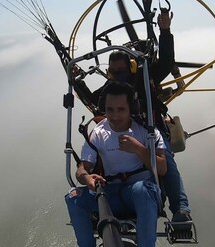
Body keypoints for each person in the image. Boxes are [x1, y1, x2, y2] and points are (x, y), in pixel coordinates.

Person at [73, 10, 192, 223]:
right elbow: (93, 100)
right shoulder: (112, 87)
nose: (119, 76)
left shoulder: (147, 75)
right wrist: (77, 81)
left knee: (168, 163)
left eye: (122, 70)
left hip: (151, 129)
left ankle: (181, 209)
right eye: (114, 72)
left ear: (132, 67)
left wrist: (165, 31)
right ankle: (106, 197)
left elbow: (166, 61)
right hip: (120, 132)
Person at [65, 81, 167, 247]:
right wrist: (87, 178)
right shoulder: (99, 133)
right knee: (73, 197)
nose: (114, 116)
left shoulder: (146, 132)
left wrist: (139, 149)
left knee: (142, 189)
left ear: (131, 109)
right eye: (109, 110)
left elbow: (162, 169)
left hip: (140, 194)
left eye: (121, 110)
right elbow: (82, 169)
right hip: (109, 193)